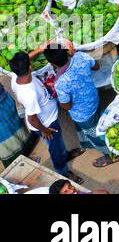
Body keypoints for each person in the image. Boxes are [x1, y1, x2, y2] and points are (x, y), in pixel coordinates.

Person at [9, 52, 81, 183]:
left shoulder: (16, 76)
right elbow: (32, 118)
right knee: (55, 148)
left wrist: (39, 49)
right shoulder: (29, 94)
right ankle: (63, 170)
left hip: (47, 119)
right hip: (46, 124)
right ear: (30, 67)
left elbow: (25, 60)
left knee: (58, 144)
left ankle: (65, 155)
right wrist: (45, 130)